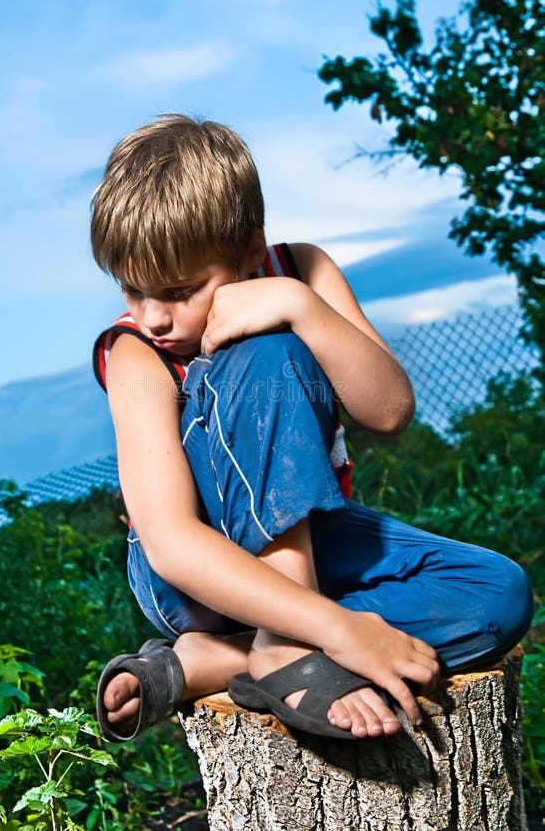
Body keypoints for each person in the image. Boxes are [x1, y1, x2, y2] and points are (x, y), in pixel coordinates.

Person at [90, 114, 533, 742]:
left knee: (497, 595)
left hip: (319, 539)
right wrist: (339, 629)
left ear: (249, 248)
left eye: (181, 290)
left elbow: (388, 411)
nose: (154, 316)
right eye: (133, 290)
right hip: (193, 571)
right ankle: (292, 646)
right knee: (266, 356)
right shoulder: (138, 351)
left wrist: (300, 305)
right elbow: (170, 541)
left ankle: (239, 654)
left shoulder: (301, 269)